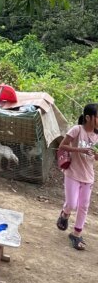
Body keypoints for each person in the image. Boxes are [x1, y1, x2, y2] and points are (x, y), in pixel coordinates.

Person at [56, 102, 98, 251]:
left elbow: (96, 158)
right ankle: (65, 214)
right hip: (72, 173)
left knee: (84, 206)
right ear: (88, 117)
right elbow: (62, 146)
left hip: (88, 176)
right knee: (71, 204)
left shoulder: (97, 136)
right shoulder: (77, 130)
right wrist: (81, 150)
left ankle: (76, 234)